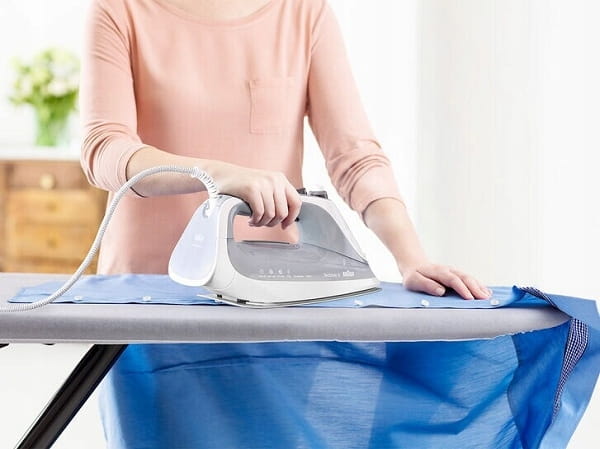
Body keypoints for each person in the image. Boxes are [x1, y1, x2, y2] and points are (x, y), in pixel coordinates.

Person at [80, 0, 492, 447]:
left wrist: (410, 257)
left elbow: (354, 156)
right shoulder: (120, 11)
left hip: (275, 302)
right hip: (151, 304)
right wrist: (216, 174)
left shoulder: (303, 13)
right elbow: (104, 149)